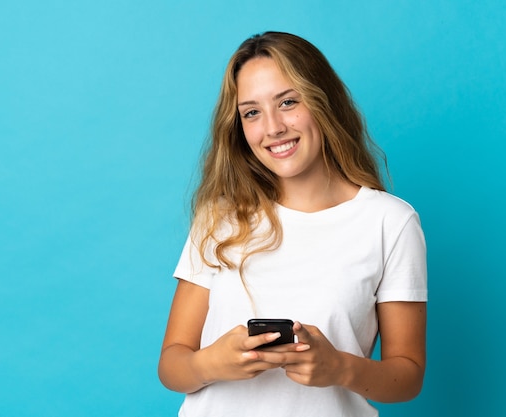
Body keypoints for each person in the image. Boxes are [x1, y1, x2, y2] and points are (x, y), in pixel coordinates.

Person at [158, 31, 427, 417]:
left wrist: (339, 367)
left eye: (288, 102)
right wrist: (212, 363)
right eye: (251, 112)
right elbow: (171, 365)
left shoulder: (390, 222)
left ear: (323, 102)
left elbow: (408, 376)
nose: (273, 128)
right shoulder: (219, 218)